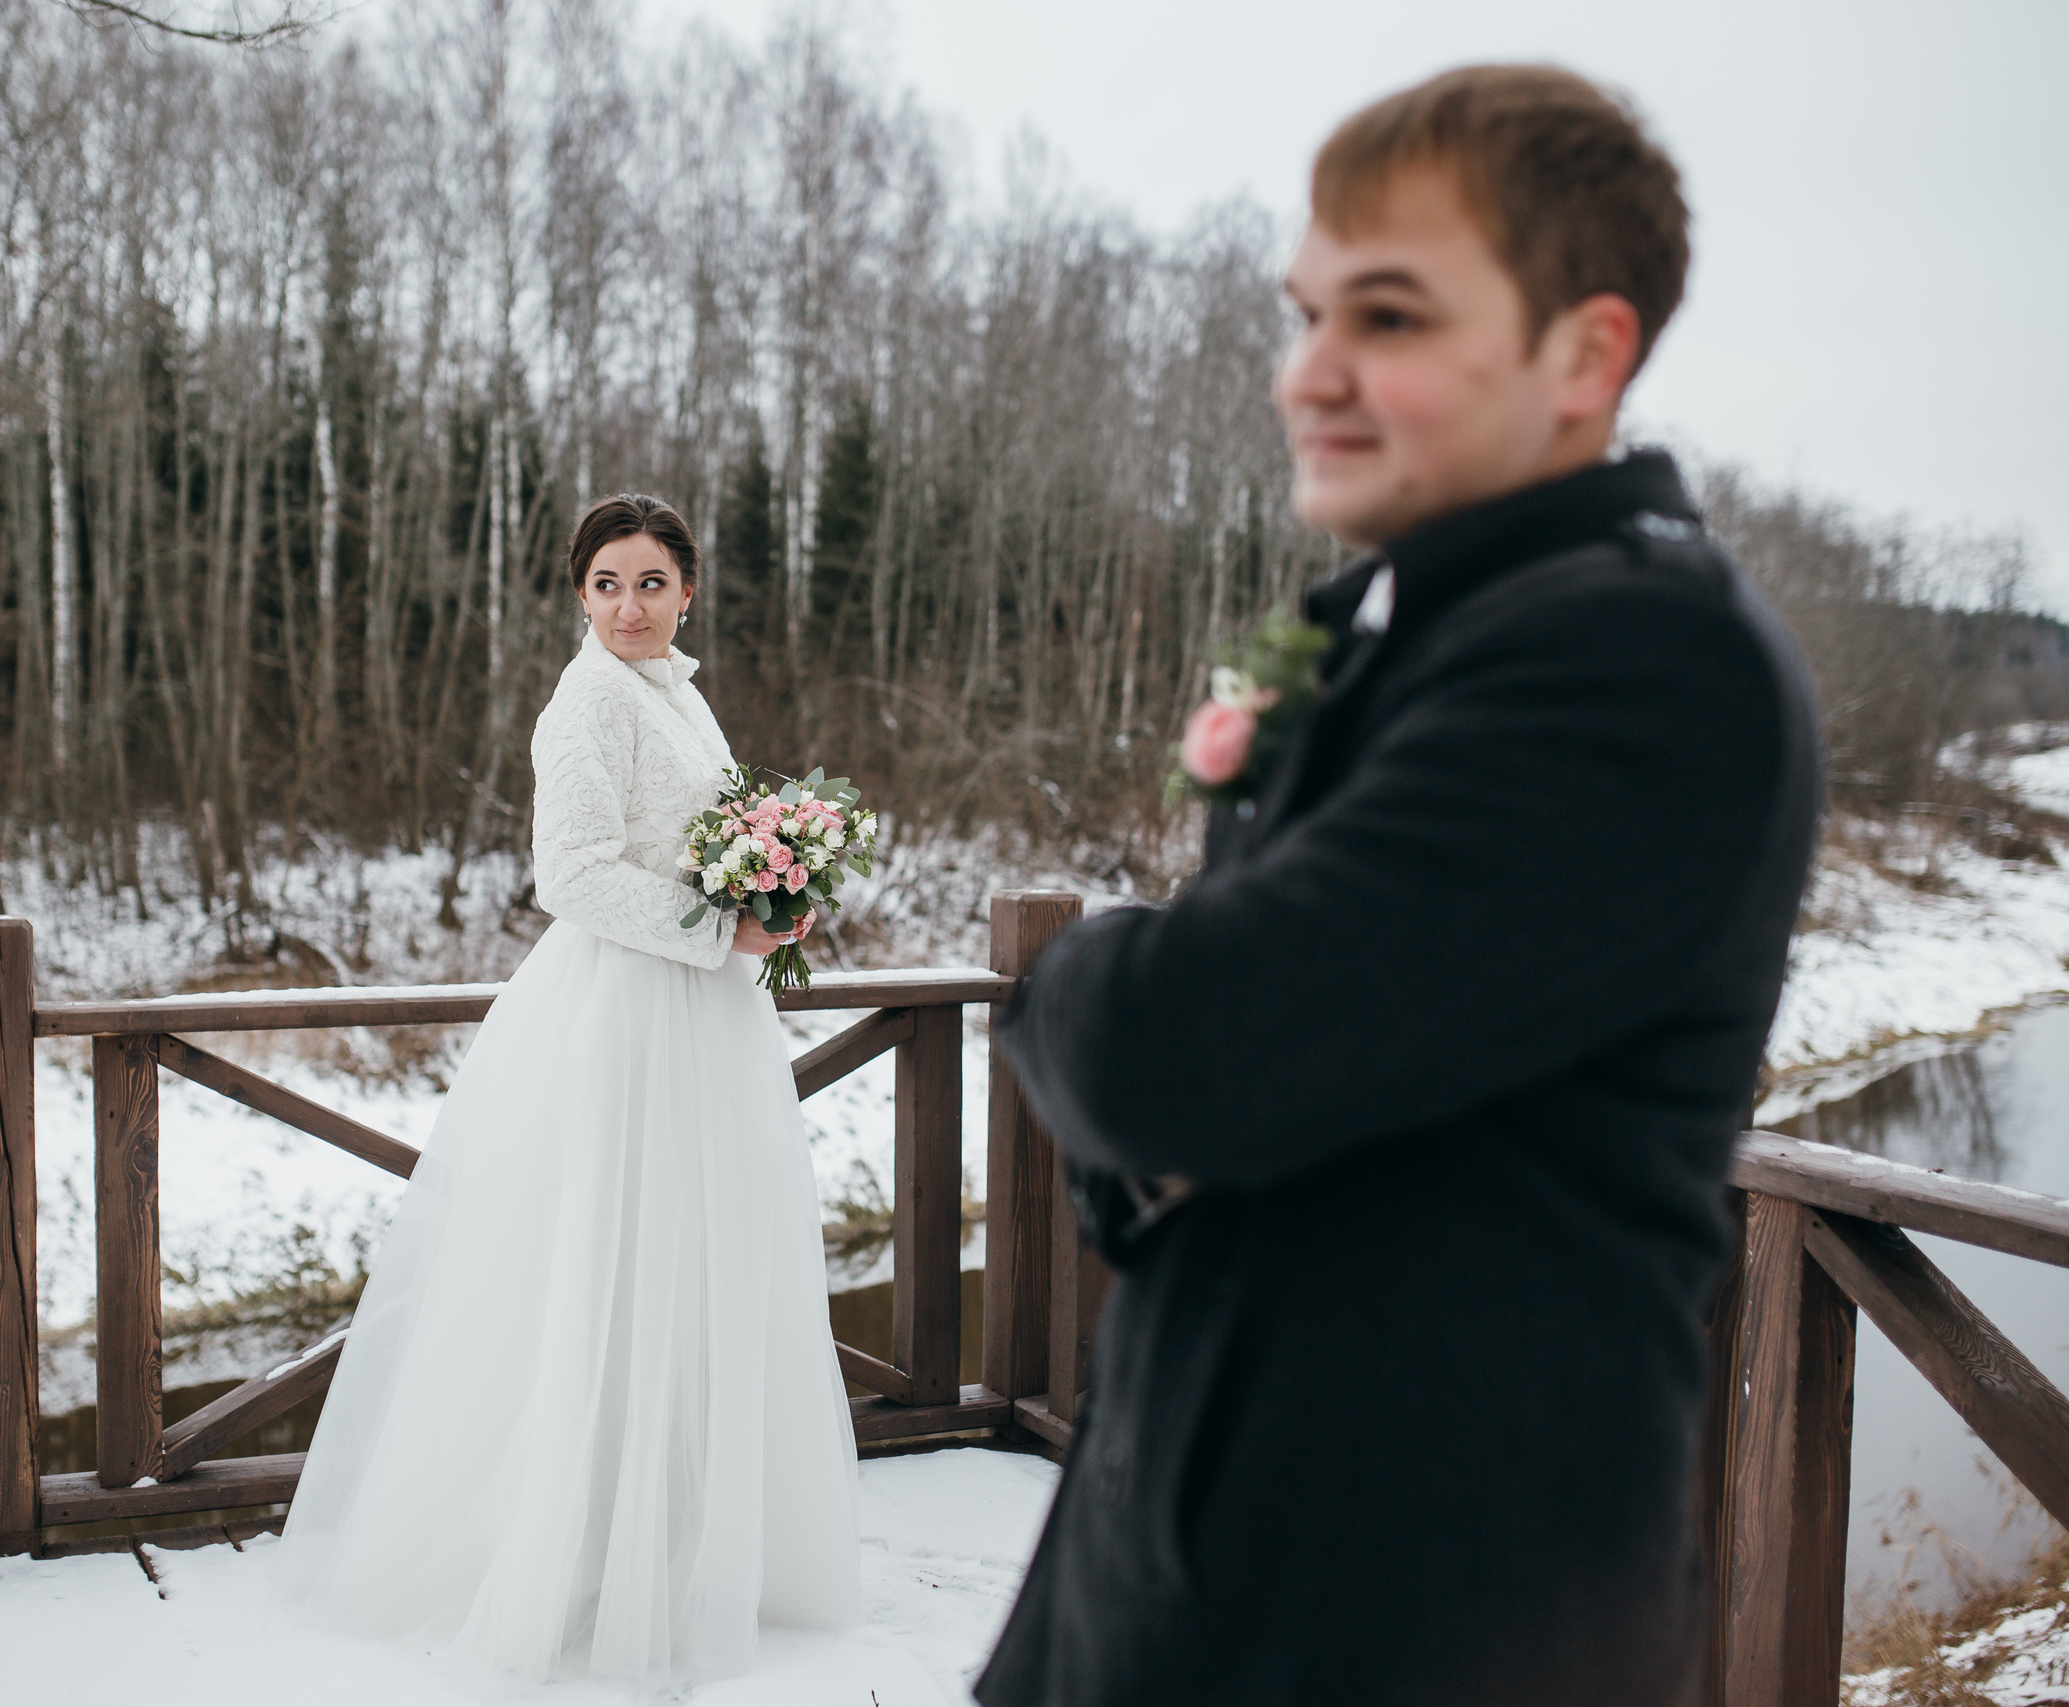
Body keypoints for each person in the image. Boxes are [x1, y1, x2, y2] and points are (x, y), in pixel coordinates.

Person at [979, 66, 1821, 1707]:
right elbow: (1183, 1111)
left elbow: (1185, 1053)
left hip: (1411, 1612)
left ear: (1588, 352)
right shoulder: (1403, 623)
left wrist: (1072, 982)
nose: (1311, 376)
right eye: (1305, 313)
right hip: (1174, 1568)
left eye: (1390, 316)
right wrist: (1168, 1108)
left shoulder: (1638, 655)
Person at [273, 494, 861, 1683]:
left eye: (649, 583)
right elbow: (575, 875)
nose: (628, 606)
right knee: (615, 1264)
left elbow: (707, 833)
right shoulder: (586, 700)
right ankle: (585, 1552)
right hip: (625, 1019)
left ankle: (685, 1536)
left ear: (687, 591)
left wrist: (775, 882)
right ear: (576, 594)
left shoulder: (676, 691)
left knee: (701, 1266)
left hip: (702, 1018)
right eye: (606, 584)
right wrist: (725, 926)